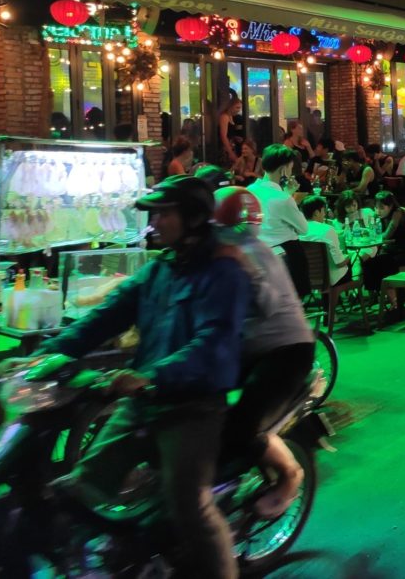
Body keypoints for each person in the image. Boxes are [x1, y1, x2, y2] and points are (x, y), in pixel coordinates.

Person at [35, 176, 250, 577]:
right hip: (145, 402)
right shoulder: (159, 271)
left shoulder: (224, 271)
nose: (155, 222)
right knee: (84, 484)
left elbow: (213, 344)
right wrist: (46, 356)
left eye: (164, 213)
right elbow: (106, 315)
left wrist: (149, 376)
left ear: (194, 217)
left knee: (191, 505)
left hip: (193, 408)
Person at [212, 186, 315, 520]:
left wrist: (246, 267)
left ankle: (290, 475)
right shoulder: (221, 250)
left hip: (286, 351)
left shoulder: (255, 252)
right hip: (248, 349)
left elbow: (268, 304)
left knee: (243, 424)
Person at [248, 144, 311, 296]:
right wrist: (289, 196)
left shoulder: (249, 191)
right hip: (286, 256)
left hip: (256, 255)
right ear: (283, 169)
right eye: (289, 168)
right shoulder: (282, 198)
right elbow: (304, 228)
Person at [358, 190, 405, 297]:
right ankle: (378, 295)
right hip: (393, 252)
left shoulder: (397, 213)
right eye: (376, 208)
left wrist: (372, 236)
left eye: (382, 208)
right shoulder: (380, 216)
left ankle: (396, 299)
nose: (378, 211)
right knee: (367, 262)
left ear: (390, 206)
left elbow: (387, 235)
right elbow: (375, 232)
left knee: (381, 263)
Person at [300, 194, 351, 285]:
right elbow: (339, 263)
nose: (324, 214)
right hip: (330, 280)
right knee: (352, 260)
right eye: (323, 211)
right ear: (316, 212)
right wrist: (350, 256)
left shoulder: (297, 230)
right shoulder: (327, 229)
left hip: (307, 279)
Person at [219, 96, 242, 166]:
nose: (239, 110)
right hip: (225, 148)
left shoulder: (231, 116)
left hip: (231, 146)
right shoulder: (224, 117)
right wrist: (230, 152)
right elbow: (223, 136)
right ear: (231, 106)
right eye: (237, 107)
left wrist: (235, 138)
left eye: (240, 108)